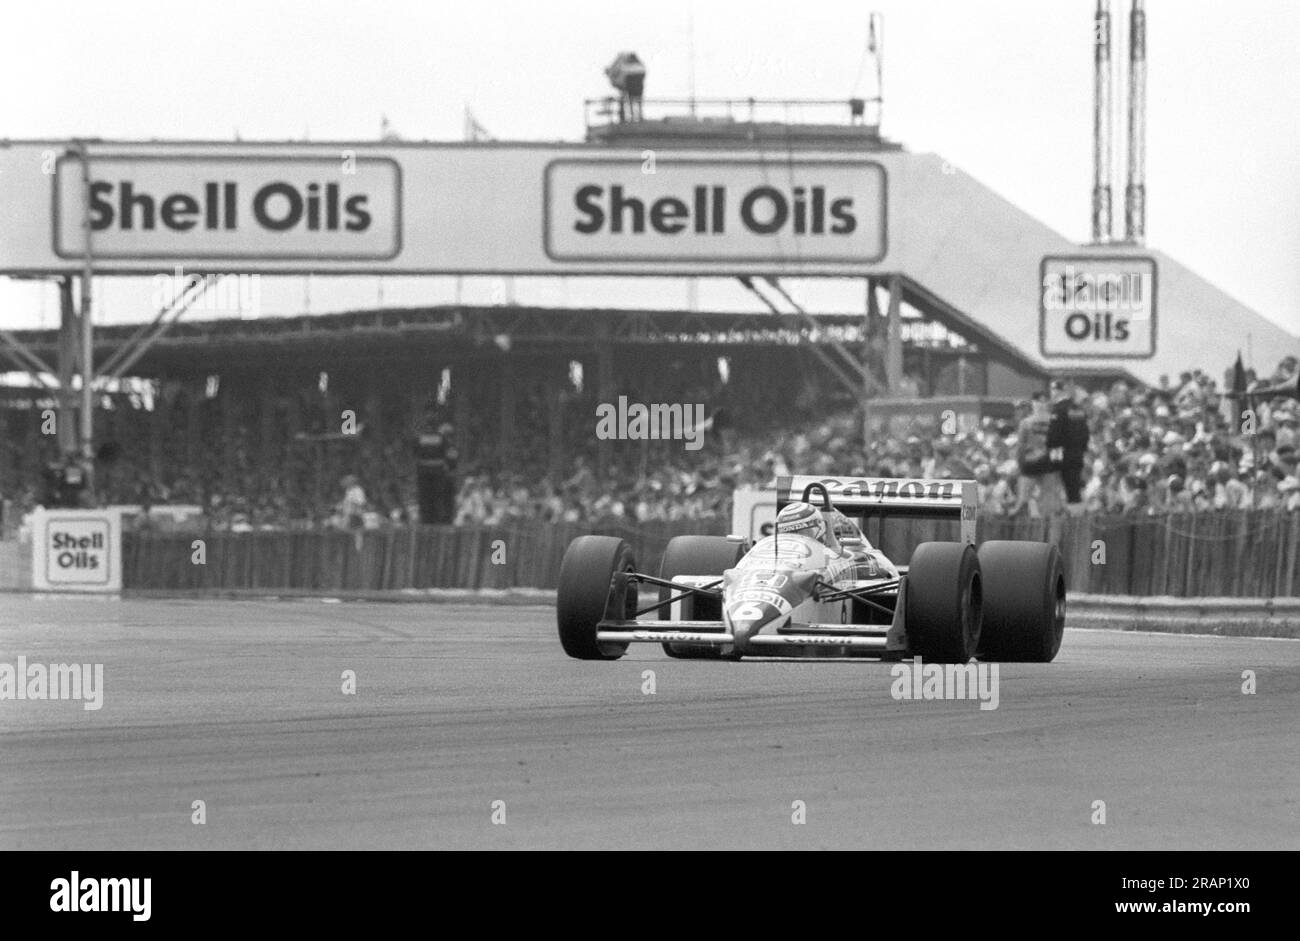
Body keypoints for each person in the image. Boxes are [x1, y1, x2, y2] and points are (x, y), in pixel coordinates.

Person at [1046, 379, 1091, 515]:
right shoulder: (1077, 409)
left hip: (1062, 454)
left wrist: (1052, 454)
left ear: (1056, 391)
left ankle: (1060, 519)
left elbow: (1054, 436)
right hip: (1077, 454)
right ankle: (1076, 517)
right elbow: (1085, 434)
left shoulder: (1059, 409)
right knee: (1074, 489)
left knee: (1057, 487)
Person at [414, 422, 459, 524]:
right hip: (442, 478)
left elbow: (451, 463)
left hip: (445, 480)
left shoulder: (450, 447)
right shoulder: (448, 446)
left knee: (441, 505)